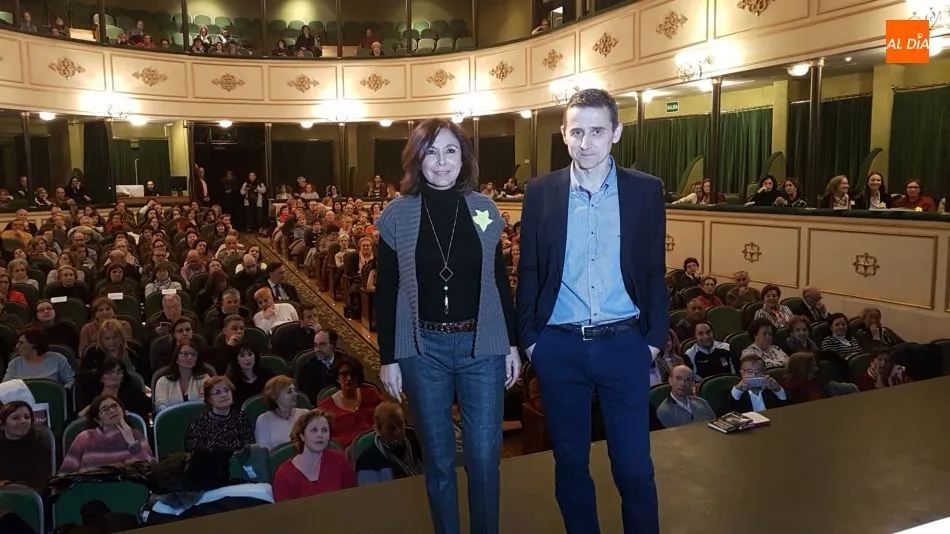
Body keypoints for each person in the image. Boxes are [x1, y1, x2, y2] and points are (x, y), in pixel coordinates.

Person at [516, 89, 665, 534]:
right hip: (559, 346)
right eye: (576, 131)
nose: (586, 143)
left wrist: (653, 342)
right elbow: (528, 270)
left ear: (616, 132)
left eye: (597, 131)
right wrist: (532, 342)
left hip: (625, 344)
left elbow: (654, 270)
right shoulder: (540, 192)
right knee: (571, 466)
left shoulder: (646, 190)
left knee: (635, 468)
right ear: (563, 134)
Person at [376, 117, 521, 534]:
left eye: (451, 150)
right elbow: (387, 290)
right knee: (438, 459)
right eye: (431, 152)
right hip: (423, 352)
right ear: (417, 159)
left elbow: (497, 279)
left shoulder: (483, 209)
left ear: (465, 157)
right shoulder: (397, 214)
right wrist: (390, 357)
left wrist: (510, 344)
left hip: (482, 347)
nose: (442, 161)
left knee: (484, 457)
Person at [271, 408, 356, 501]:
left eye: (324, 430)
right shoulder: (284, 474)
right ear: (302, 436)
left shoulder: (339, 460)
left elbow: (352, 496)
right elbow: (283, 513)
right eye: (314, 430)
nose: (320, 435)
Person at [355, 401, 424, 485]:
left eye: (400, 425)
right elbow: (369, 495)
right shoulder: (367, 461)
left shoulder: (417, 444)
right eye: (391, 428)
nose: (398, 432)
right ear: (378, 430)